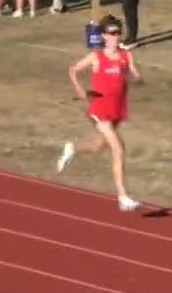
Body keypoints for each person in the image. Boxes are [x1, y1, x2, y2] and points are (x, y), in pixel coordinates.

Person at [59, 14, 144, 212]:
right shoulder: (96, 56)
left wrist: (135, 79)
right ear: (104, 36)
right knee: (118, 149)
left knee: (98, 146)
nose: (115, 37)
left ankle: (73, 149)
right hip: (99, 108)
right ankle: (123, 197)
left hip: (117, 108)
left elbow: (134, 76)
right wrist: (81, 91)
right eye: (111, 33)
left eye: (118, 33)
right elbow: (73, 70)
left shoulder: (126, 56)